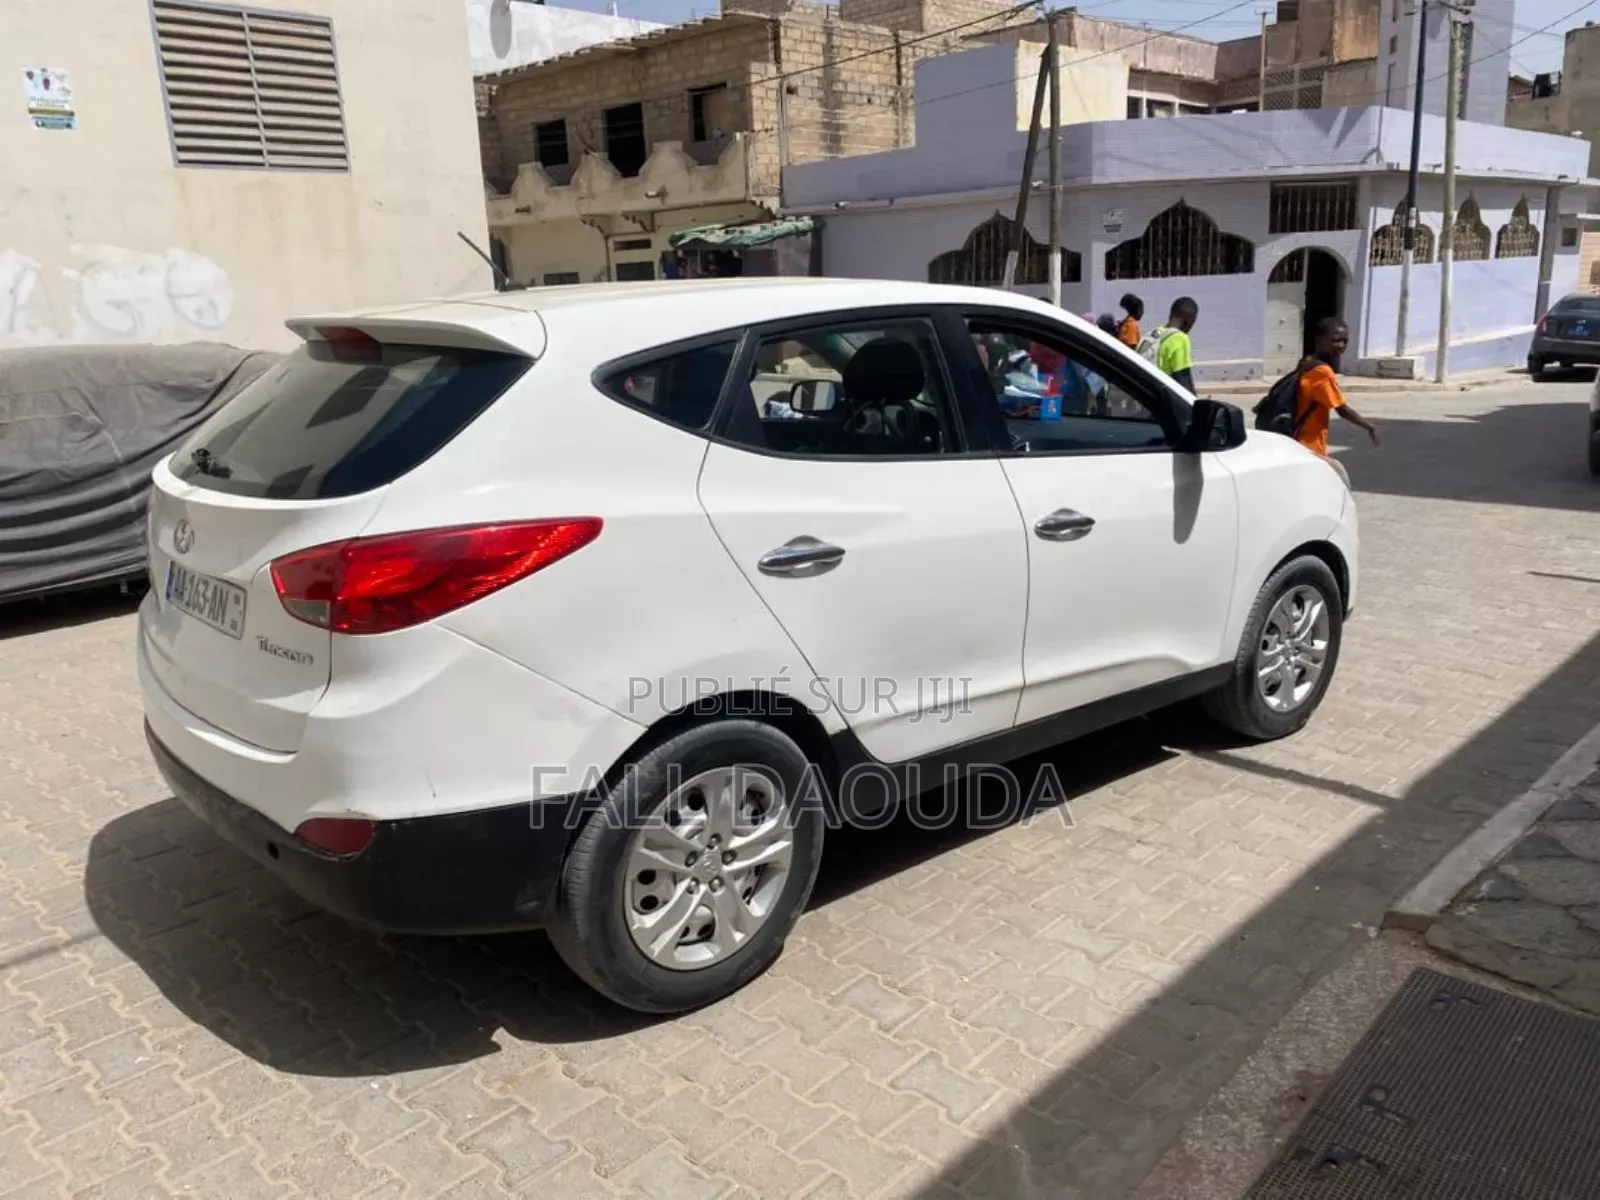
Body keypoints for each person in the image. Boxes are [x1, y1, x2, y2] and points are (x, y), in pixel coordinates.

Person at [1294, 317, 1379, 487]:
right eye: (1335, 341)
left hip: (1296, 441)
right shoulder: (1322, 372)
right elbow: (1341, 409)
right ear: (1319, 340)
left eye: (1344, 341)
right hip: (1310, 446)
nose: (1341, 345)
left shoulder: (1307, 362)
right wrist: (1369, 426)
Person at [1146, 297, 1199, 394]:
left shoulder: (1154, 333)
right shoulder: (1179, 338)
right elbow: (1183, 380)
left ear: (1170, 314)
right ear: (1190, 322)